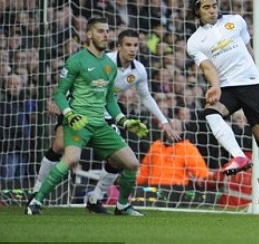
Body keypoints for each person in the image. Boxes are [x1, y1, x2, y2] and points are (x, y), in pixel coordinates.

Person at [30, 29, 179, 214]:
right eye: (128, 45)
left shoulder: (139, 70)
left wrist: (164, 122)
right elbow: (76, 79)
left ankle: (96, 198)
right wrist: (59, 102)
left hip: (107, 113)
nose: (132, 49)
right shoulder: (102, 60)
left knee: (118, 161)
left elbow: (146, 97)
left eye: (135, 45)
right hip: (77, 109)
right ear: (118, 46)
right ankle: (36, 191)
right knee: (60, 146)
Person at [186, 0, 259, 210]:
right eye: (207, 7)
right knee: (211, 112)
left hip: (249, 82)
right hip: (227, 86)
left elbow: (248, 48)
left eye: (214, 6)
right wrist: (215, 86)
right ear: (197, 11)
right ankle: (238, 156)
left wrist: (258, 77)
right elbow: (207, 67)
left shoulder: (236, 21)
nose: (212, 10)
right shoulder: (195, 41)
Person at [136, 119, 211, 187]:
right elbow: (145, 170)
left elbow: (201, 171)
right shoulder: (156, 145)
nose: (173, 132)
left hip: (176, 190)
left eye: (176, 129)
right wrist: (137, 184)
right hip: (154, 187)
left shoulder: (187, 148)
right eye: (171, 128)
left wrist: (207, 182)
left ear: (181, 131)